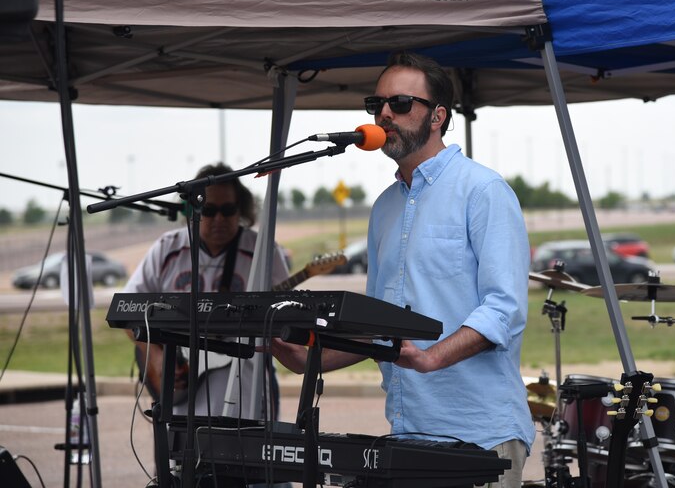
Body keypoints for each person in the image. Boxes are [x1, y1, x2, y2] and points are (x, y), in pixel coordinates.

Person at [271, 51, 534, 488]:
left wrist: (431, 358)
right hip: (408, 433)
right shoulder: (384, 208)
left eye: (401, 104)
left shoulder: (483, 190)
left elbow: (504, 310)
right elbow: (382, 327)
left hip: (481, 435)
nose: (385, 114)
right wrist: (309, 358)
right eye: (376, 105)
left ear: (438, 117)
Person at [126, 162, 290, 417]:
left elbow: (285, 314)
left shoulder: (263, 250)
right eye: (209, 210)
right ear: (194, 208)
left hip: (245, 386)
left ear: (241, 210)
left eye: (228, 210)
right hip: (179, 392)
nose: (219, 219)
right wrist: (156, 358)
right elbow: (128, 310)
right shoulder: (167, 249)